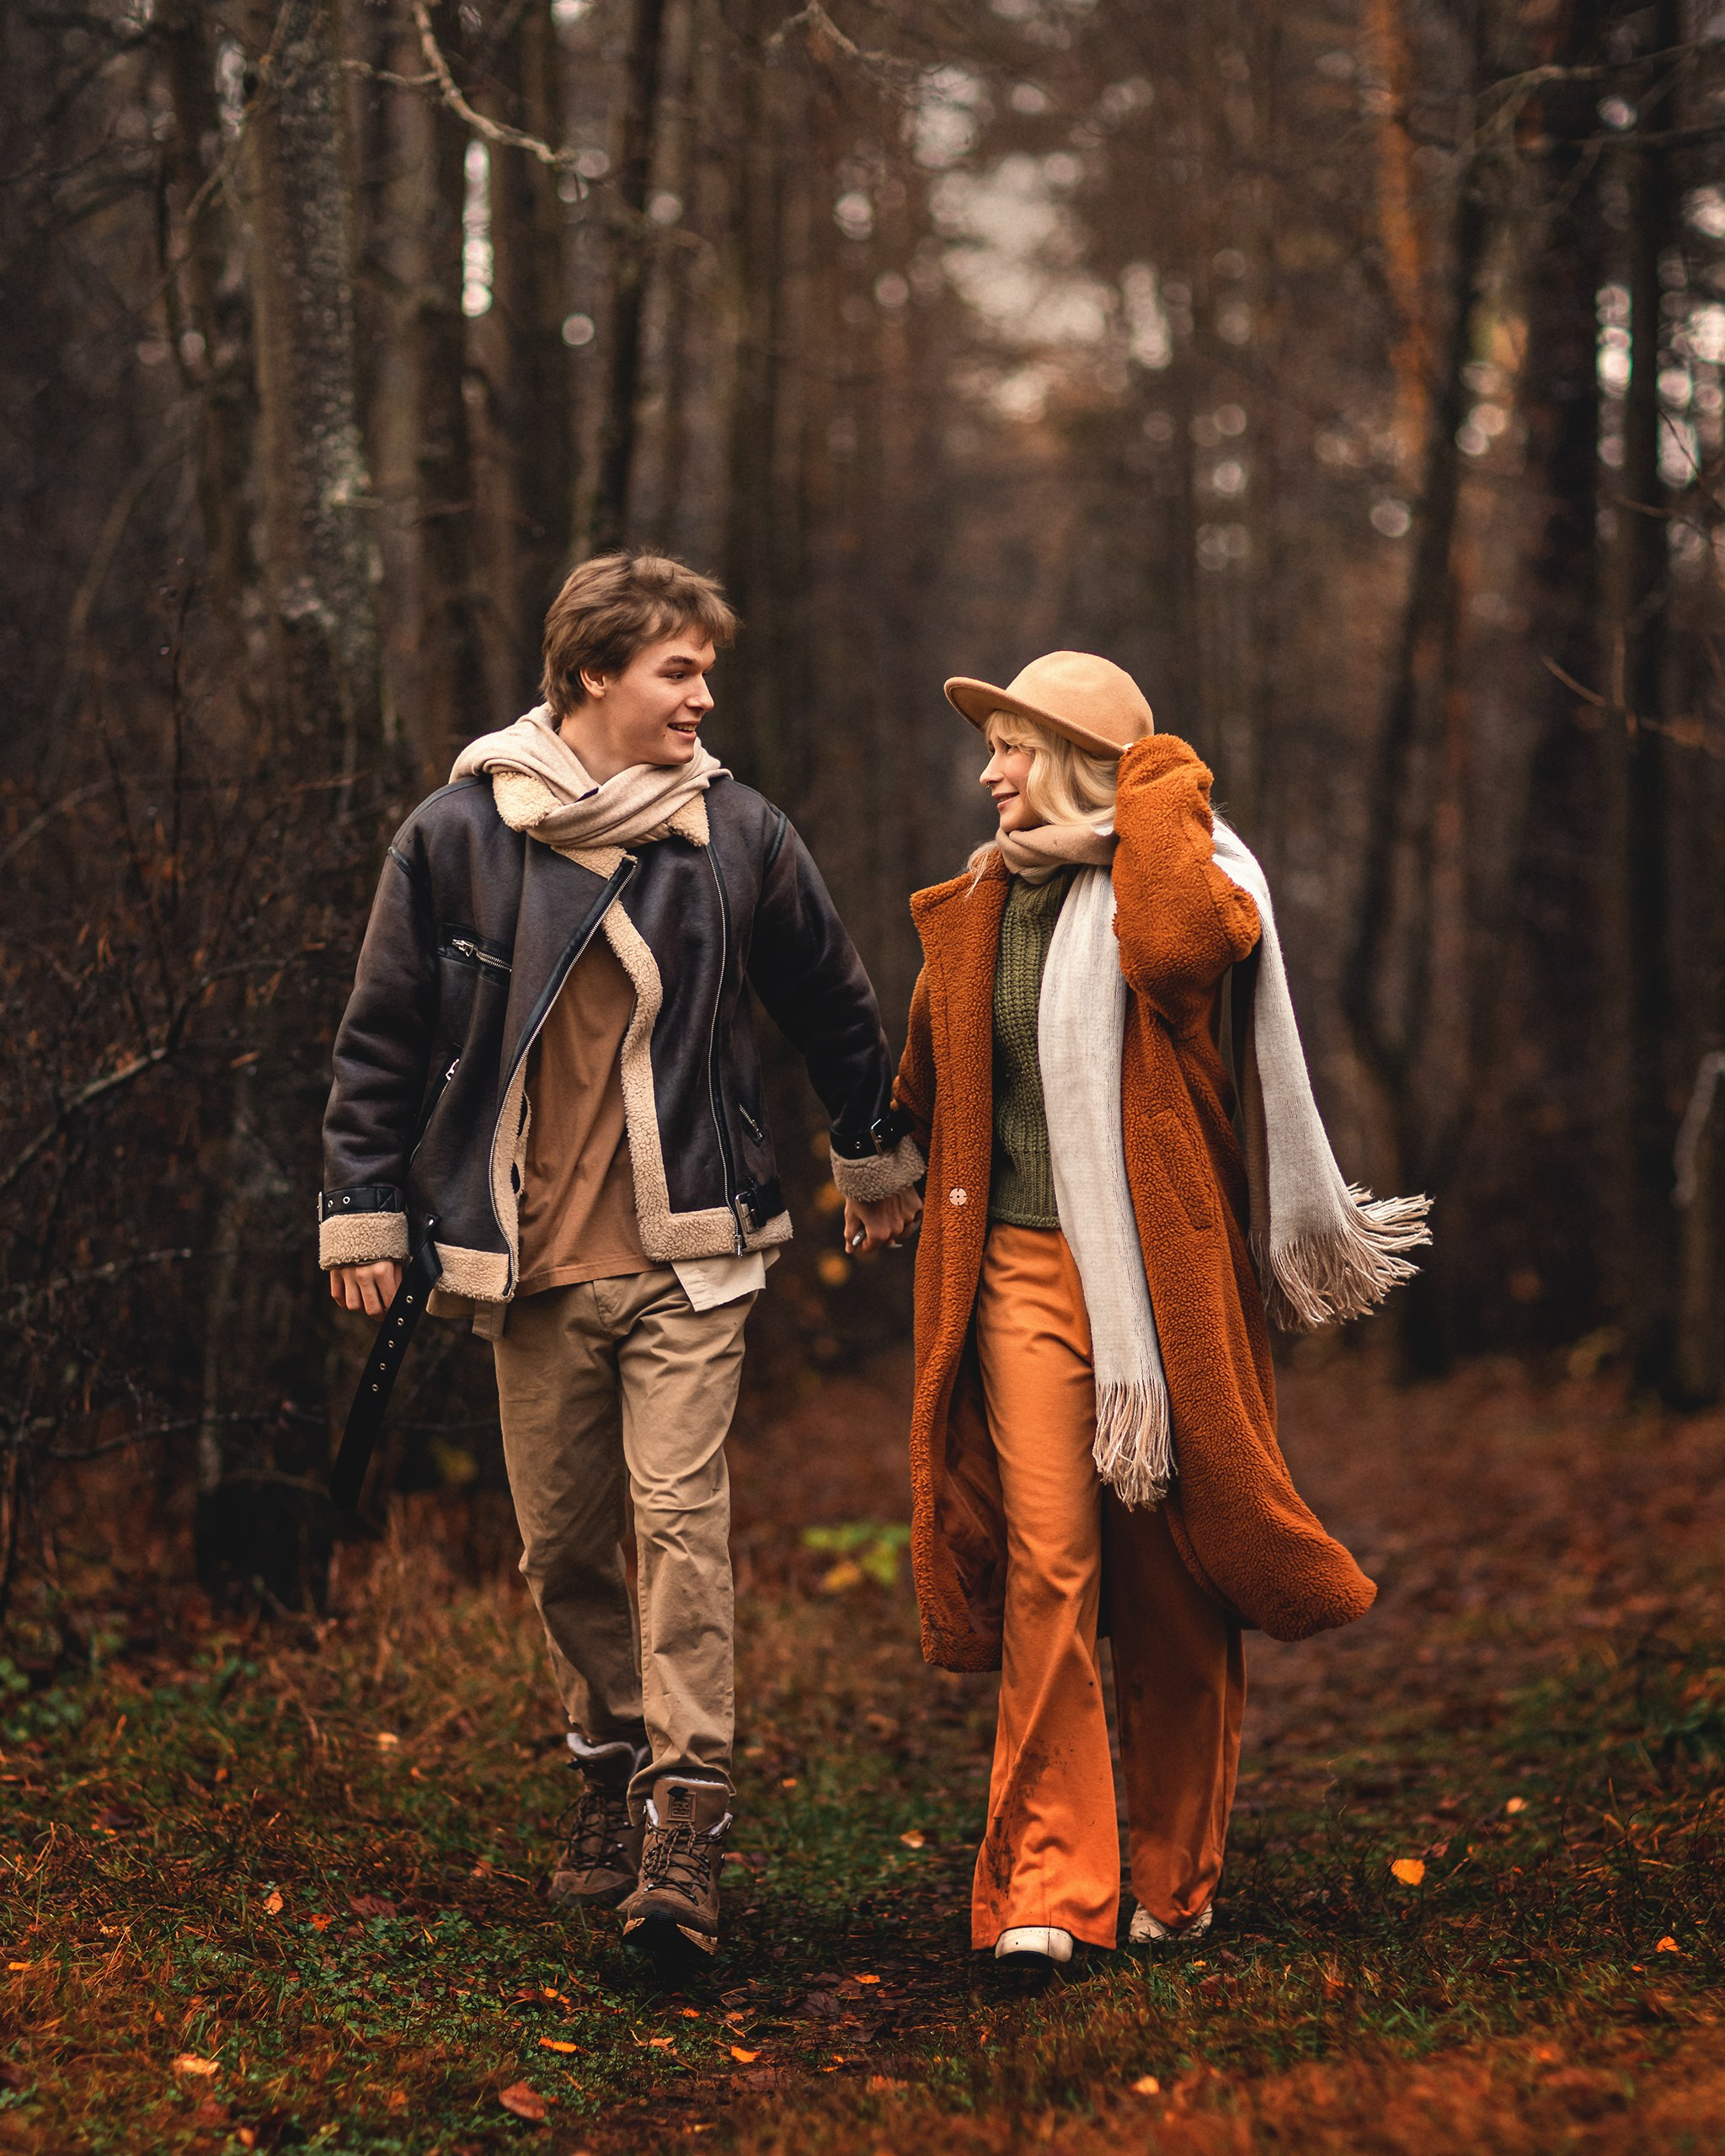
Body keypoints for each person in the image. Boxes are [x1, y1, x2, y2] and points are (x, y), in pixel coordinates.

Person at [318, 552, 922, 1955]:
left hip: (692, 1246)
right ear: (595, 671)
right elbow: (384, 1034)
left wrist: (872, 1153)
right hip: (528, 1260)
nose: (704, 697)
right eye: (678, 670)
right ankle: (607, 1761)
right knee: (561, 1548)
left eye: (707, 672)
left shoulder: (738, 835)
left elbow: (833, 1002)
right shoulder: (457, 836)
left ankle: (685, 1818)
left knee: (680, 1518)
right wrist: (364, 1204)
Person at [890, 651, 1429, 1970]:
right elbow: (933, 1064)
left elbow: (1181, 954)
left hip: (1161, 1281)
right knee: (1050, 1566)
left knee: (1172, 1580)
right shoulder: (984, 897)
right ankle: (1049, 1891)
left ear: (1081, 756)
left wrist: (1159, 778)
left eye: (1013, 746)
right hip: (1017, 1269)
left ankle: (1176, 1878)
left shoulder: (1185, 884)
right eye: (990, 748)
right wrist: (881, 1162)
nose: (989, 771)